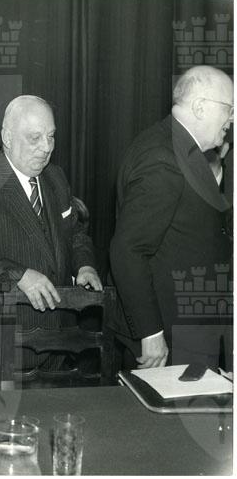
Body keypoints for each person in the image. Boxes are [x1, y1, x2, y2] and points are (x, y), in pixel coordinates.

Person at [0, 95, 102, 382]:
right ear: (7, 137)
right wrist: (19, 275)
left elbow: (75, 233)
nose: (47, 148)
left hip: (58, 337)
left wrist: (84, 265)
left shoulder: (56, 178)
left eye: (51, 137)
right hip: (1, 345)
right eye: (35, 138)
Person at [110, 65, 233, 370]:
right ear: (200, 107)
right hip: (168, 339)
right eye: (229, 109)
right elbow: (128, 250)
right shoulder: (163, 158)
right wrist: (151, 332)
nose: (232, 119)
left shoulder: (180, 148)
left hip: (188, 330)